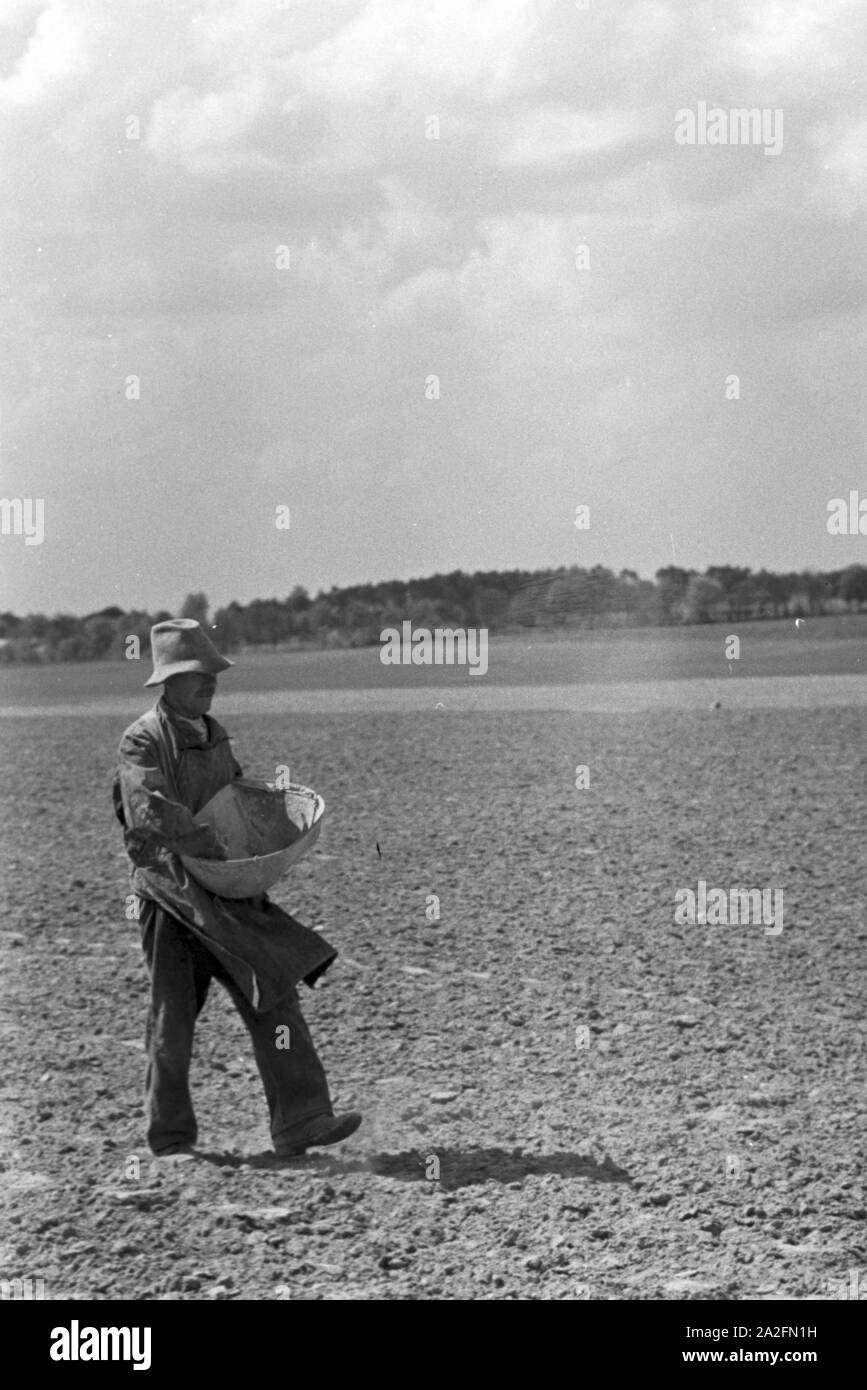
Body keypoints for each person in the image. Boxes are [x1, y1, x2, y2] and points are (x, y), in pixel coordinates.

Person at [113, 617, 361, 1159]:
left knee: (273, 995)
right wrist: (206, 842)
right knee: (173, 1020)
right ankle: (172, 1139)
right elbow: (148, 811)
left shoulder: (216, 735)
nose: (210, 683)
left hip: (226, 894)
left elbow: (237, 799)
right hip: (172, 896)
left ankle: (302, 1120)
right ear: (168, 682)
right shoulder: (142, 740)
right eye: (197, 674)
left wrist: (263, 836)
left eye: (212, 674)